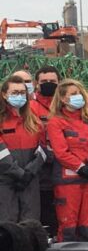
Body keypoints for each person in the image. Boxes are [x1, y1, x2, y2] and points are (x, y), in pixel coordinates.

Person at [47, 79, 88, 242]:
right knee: (68, 226)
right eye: (73, 94)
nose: (78, 96)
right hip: (68, 181)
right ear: (63, 99)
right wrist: (80, 167)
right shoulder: (56, 122)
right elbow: (61, 152)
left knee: (87, 225)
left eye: (79, 93)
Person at [0, 76, 47, 222]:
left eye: (22, 92)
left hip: (30, 180)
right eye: (15, 92)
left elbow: (44, 149)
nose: (19, 96)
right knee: (8, 223)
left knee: (30, 223)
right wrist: (18, 173)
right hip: (5, 181)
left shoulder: (34, 121)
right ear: (4, 94)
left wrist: (30, 172)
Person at [29, 67, 61, 235]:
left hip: (63, 166)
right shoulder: (30, 108)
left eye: (53, 82)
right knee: (44, 207)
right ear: (36, 84)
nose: (49, 85)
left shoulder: (65, 106)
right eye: (44, 82)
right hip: (41, 168)